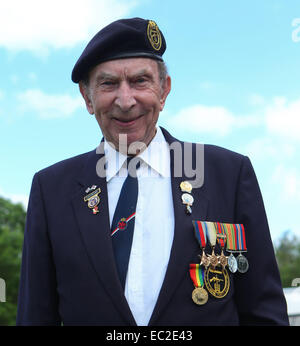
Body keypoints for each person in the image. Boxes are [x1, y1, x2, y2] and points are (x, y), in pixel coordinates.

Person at [16, 17, 289, 326]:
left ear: (164, 90)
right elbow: (34, 317)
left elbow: (265, 313)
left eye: (140, 81)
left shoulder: (227, 173)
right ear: (87, 98)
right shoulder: (51, 189)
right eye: (108, 84)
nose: (125, 100)